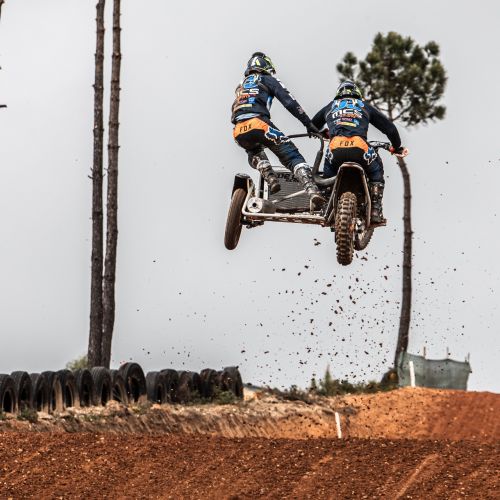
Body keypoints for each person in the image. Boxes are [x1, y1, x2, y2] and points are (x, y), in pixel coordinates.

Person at [231, 52, 324, 211]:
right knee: (292, 155)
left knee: (254, 151)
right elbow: (289, 102)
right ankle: (311, 189)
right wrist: (308, 123)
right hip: (260, 124)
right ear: (266, 66)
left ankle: (269, 175)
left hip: (238, 130)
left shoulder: (241, 85)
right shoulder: (267, 79)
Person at [311, 80, 406, 224]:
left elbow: (312, 126)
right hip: (359, 148)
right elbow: (390, 129)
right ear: (357, 93)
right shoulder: (363, 105)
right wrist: (397, 146)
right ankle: (375, 208)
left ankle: (326, 204)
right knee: (376, 169)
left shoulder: (331, 106)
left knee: (327, 175)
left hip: (335, 149)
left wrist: (323, 132)